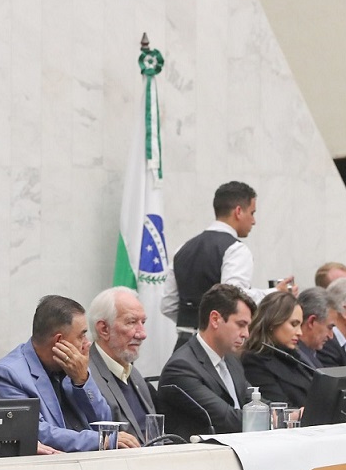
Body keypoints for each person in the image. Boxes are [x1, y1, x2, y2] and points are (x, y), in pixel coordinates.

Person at [160, 181, 294, 350]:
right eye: (252, 213)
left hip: (183, 346)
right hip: (215, 346)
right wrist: (275, 293)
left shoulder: (182, 249)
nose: (254, 221)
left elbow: (168, 305)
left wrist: (192, 322)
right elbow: (234, 298)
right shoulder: (236, 249)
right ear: (238, 211)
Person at [0, 296, 135, 452]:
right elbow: (36, 432)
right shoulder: (8, 374)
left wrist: (82, 381)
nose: (87, 343)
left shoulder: (74, 367)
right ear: (59, 341)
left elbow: (105, 422)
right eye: (81, 335)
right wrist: (101, 440)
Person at [158, 284, 254, 438]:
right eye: (241, 325)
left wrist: (287, 414)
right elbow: (229, 421)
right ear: (215, 319)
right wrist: (273, 417)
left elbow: (254, 400)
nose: (246, 334)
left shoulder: (231, 360)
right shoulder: (181, 368)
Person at [86, 287, 159, 444]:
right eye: (132, 322)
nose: (142, 334)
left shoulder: (135, 375)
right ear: (104, 329)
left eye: (143, 322)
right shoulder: (85, 378)